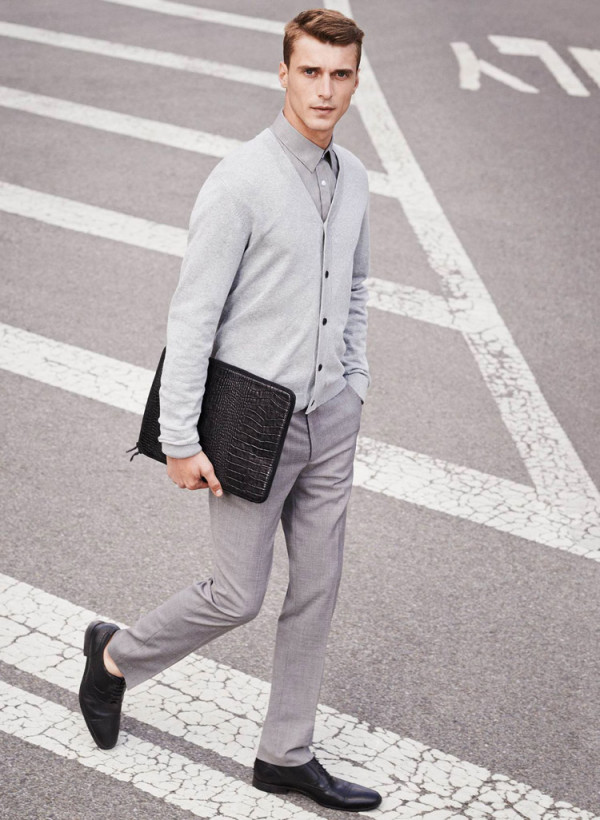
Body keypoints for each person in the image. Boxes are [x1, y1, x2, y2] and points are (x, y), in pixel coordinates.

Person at [79, 8, 381, 813]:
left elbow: (355, 286)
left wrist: (354, 379)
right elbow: (193, 318)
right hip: (253, 426)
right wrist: (179, 438)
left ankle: (286, 753)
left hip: (331, 417)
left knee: (317, 588)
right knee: (235, 595)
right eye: (310, 71)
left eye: (340, 74)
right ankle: (114, 659)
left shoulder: (354, 178)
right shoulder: (241, 180)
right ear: (283, 73)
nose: (325, 89)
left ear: (356, 81)